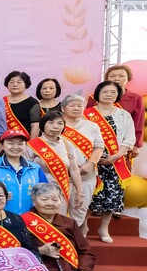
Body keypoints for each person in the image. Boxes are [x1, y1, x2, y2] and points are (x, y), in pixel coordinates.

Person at [86, 81, 135, 243]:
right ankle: (83, 226)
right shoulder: (86, 114)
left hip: (115, 162)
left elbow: (129, 139)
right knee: (89, 194)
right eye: (105, 91)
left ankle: (104, 228)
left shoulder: (123, 115)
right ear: (97, 94)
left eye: (113, 92)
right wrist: (94, 157)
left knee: (111, 196)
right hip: (92, 161)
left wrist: (116, 156)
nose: (109, 95)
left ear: (118, 95)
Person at [61, 94, 104, 233]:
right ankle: (61, 237)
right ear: (63, 108)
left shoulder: (92, 126)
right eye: (72, 105)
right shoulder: (56, 124)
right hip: (61, 174)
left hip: (86, 173)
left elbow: (99, 147)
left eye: (80, 106)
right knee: (59, 207)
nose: (76, 108)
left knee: (80, 207)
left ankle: (75, 237)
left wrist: (91, 164)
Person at [25, 111, 84, 212]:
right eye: (51, 123)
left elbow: (74, 169)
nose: (55, 126)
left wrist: (80, 192)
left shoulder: (67, 144)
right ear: (43, 125)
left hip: (61, 190)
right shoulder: (32, 145)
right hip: (38, 191)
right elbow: (26, 171)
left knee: (60, 217)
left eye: (60, 123)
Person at [0, 129, 48, 215]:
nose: (16, 147)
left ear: (25, 146)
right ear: (2, 145)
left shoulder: (35, 168)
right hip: (1, 217)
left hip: (31, 218)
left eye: (20, 143)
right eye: (11, 143)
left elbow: (45, 192)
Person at [92, 64, 144, 157]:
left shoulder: (136, 98)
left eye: (121, 76)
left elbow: (138, 122)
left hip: (124, 145)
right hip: (96, 143)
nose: (116, 79)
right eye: (112, 76)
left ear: (128, 79)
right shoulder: (94, 97)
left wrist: (136, 145)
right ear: (107, 79)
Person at [4, 71, 41, 137]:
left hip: (24, 140)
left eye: (19, 82)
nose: (15, 84)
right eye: (12, 82)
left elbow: (35, 126)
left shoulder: (32, 103)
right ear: (7, 84)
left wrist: (31, 142)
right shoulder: (2, 101)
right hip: (5, 140)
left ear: (26, 85)